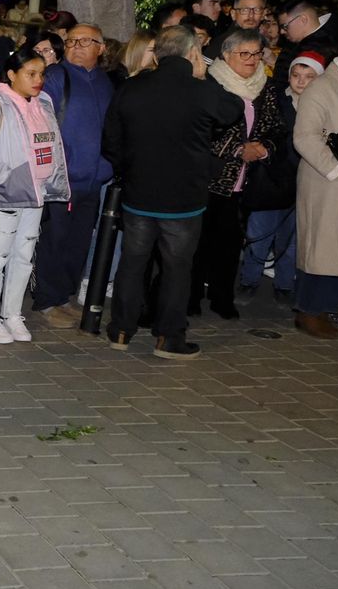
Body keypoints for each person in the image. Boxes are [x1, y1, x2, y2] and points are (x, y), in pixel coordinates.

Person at [102, 26, 242, 359]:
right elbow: (233, 109)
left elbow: (111, 140)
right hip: (183, 199)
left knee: (133, 263)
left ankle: (120, 329)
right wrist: (204, 77)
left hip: (139, 193)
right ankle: (169, 337)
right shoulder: (201, 90)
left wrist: (129, 169)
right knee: (177, 269)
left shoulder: (131, 87)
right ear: (192, 53)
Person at [0, 47, 70, 343]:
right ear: (12, 75)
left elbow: (51, 146)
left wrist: (50, 179)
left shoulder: (43, 104)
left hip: (35, 193)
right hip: (5, 195)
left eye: (41, 74)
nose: (38, 80)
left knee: (23, 258)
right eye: (31, 74)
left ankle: (12, 314)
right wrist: (5, 177)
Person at [191, 28, 282, 319]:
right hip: (209, 179)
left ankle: (222, 298)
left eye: (257, 53)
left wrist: (263, 148)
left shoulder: (266, 87)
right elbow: (199, 130)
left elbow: (276, 128)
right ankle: (191, 297)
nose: (252, 59)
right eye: (245, 53)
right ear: (227, 55)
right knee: (198, 242)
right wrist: (236, 149)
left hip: (246, 181)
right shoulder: (209, 84)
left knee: (230, 245)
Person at [29, 23, 113, 328]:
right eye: (71, 41)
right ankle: (47, 300)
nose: (75, 46)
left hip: (94, 178)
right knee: (54, 239)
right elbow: (39, 121)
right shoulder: (55, 76)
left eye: (84, 41)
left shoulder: (105, 82)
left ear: (101, 48)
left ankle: (64, 296)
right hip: (62, 178)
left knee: (78, 241)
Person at [291, 30, 338, 338]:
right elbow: (304, 137)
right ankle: (310, 311)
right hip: (329, 182)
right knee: (323, 248)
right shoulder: (322, 88)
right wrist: (335, 172)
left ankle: (324, 308)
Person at [241, 53, 321, 303]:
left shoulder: (321, 105)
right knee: (259, 233)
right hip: (271, 178)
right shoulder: (275, 99)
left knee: (292, 239)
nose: (301, 81)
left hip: (305, 181)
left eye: (308, 77)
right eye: (296, 75)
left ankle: (284, 284)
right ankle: (249, 279)